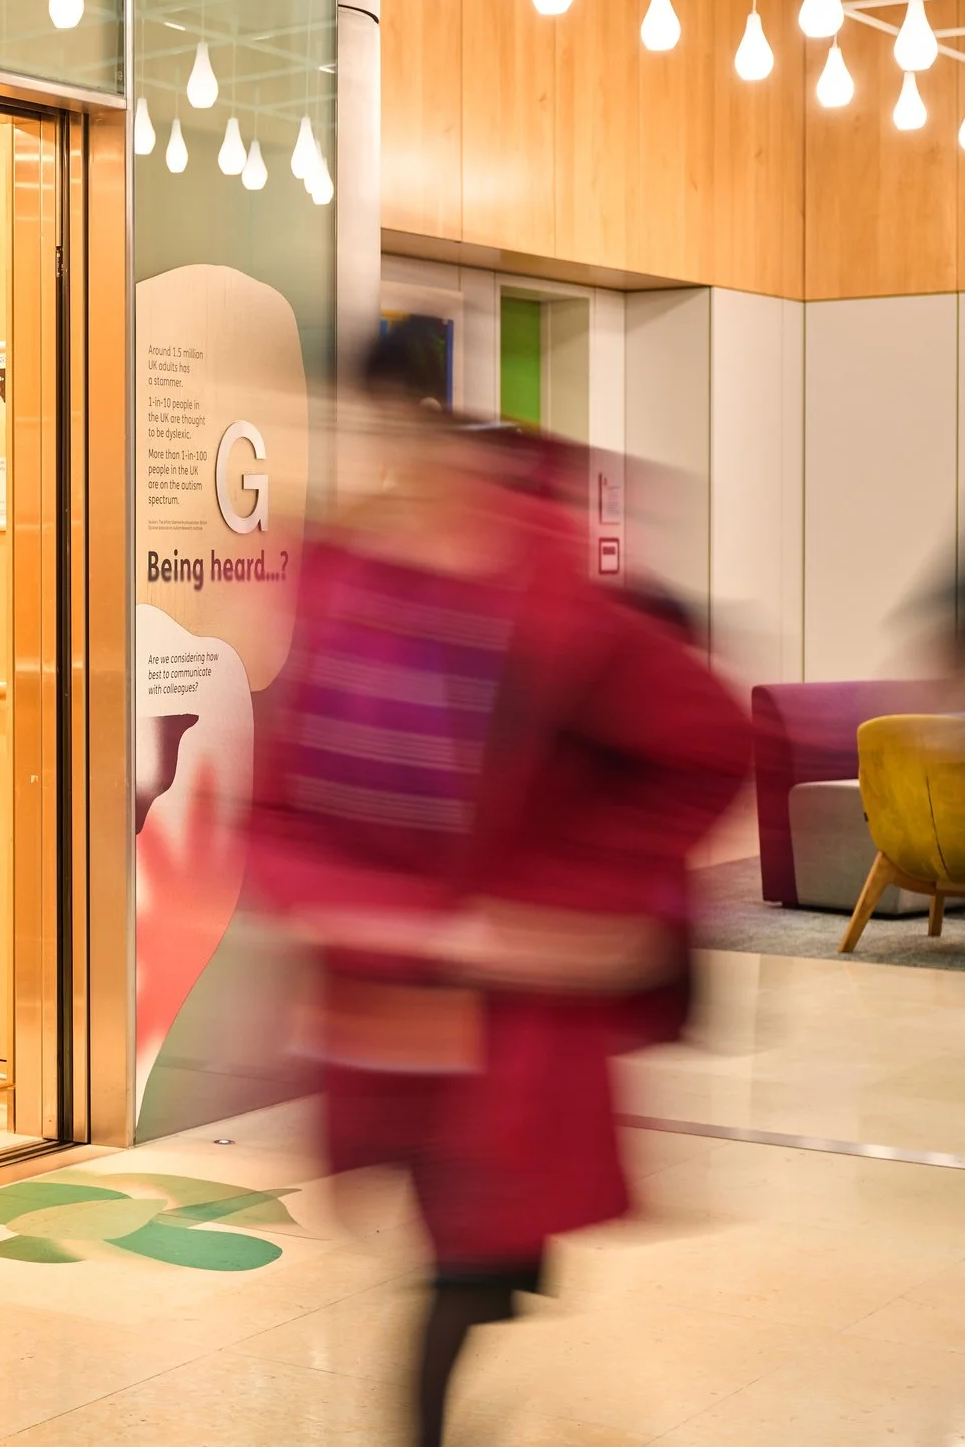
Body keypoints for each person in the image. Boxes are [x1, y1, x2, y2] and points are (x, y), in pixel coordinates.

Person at [250, 319, 748, 1447]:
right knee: (467, 1242)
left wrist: (573, 903)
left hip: (513, 1013)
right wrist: (368, 911)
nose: (390, 459)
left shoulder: (542, 581)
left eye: (410, 428)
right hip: (390, 996)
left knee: (473, 1249)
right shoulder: (340, 580)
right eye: (366, 433)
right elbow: (276, 804)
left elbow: (705, 741)